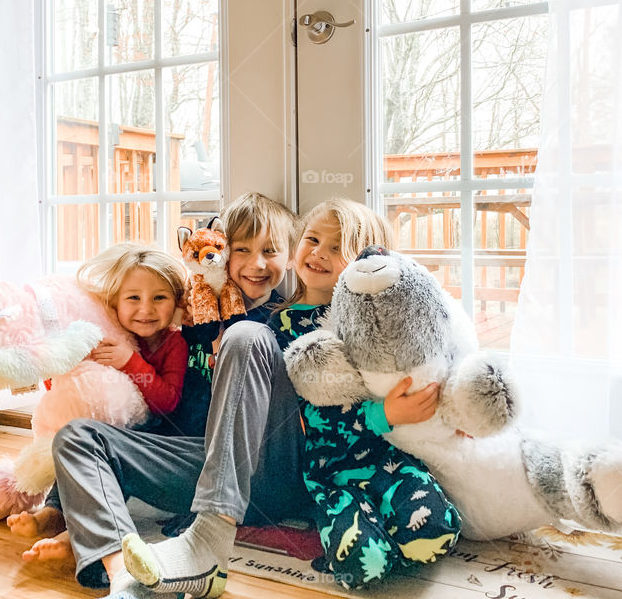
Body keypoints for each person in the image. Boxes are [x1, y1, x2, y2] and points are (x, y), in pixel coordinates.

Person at [121, 199, 461, 594]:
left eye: (337, 247)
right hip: (317, 467)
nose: (318, 253)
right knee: (363, 566)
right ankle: (210, 538)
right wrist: (381, 414)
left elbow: (431, 359)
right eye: (313, 240)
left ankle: (395, 528)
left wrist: (456, 411)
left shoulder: (374, 320)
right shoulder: (275, 325)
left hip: (384, 459)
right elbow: (305, 415)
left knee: (435, 532)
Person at [47, 192, 301, 594]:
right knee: (77, 436)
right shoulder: (192, 324)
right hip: (199, 465)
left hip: (265, 472)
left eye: (270, 251)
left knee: (246, 335)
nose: (256, 263)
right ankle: (120, 574)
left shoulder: (289, 319)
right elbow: (159, 398)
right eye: (242, 250)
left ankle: (210, 538)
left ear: (290, 256)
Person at [6, 244, 190, 562]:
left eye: (159, 298)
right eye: (133, 298)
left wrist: (131, 361)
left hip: (150, 437)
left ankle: (73, 536)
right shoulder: (103, 335)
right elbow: (65, 385)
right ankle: (51, 513)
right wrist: (66, 373)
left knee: (108, 467)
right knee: (75, 451)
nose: (146, 309)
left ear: (175, 302)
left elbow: (168, 402)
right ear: (114, 302)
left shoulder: (174, 343)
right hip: (101, 428)